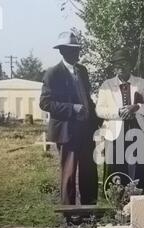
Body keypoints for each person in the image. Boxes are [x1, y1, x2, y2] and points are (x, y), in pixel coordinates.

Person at [40, 31, 101, 205]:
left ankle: (90, 209)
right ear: (62, 51)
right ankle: (70, 214)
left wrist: (98, 117)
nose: (76, 53)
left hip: (86, 130)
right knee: (69, 173)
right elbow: (45, 103)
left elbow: (87, 99)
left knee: (89, 170)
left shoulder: (82, 71)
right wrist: (72, 108)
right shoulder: (53, 74)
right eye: (71, 50)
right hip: (67, 132)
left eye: (77, 49)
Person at [96, 48, 144, 194]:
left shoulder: (140, 83)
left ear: (130, 65)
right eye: (116, 64)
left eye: (123, 63)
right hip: (115, 131)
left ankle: (138, 201)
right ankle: (116, 202)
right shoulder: (107, 85)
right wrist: (118, 112)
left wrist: (137, 107)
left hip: (137, 129)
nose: (120, 67)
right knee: (116, 166)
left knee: (137, 167)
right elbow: (99, 110)